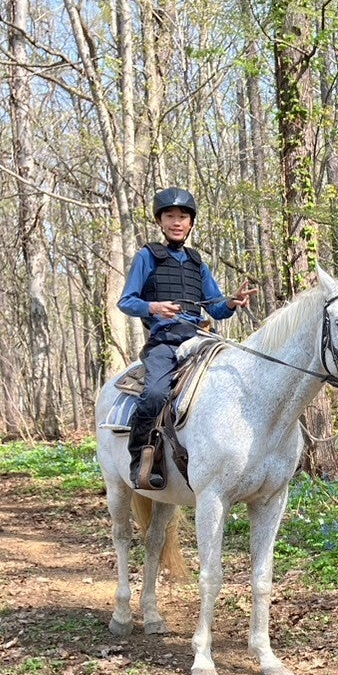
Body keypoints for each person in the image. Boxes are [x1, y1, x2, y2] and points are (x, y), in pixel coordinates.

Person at [117, 187, 254, 489]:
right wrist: (153, 307)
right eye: (170, 216)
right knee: (153, 395)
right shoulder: (147, 257)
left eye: (183, 217)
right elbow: (126, 301)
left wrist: (232, 302)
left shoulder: (197, 263)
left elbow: (216, 308)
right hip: (165, 342)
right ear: (160, 222)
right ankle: (141, 458)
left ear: (191, 223)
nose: (177, 222)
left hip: (199, 340)